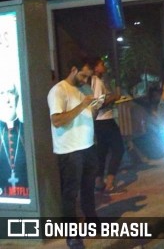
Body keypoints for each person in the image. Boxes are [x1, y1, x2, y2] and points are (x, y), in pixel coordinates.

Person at [48, 57, 102, 249]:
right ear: (73, 69)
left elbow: (90, 115)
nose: (85, 81)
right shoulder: (59, 91)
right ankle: (72, 236)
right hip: (69, 150)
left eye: (88, 77)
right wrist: (82, 105)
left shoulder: (85, 89)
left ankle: (92, 221)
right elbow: (57, 121)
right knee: (70, 194)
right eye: (83, 76)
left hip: (87, 146)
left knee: (88, 188)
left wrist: (95, 108)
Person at [91, 57, 124, 193]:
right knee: (119, 149)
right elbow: (97, 104)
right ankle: (110, 182)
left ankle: (99, 182)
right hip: (105, 119)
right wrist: (113, 98)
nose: (104, 67)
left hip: (98, 122)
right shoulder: (97, 82)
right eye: (101, 64)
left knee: (102, 152)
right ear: (96, 68)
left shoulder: (92, 81)